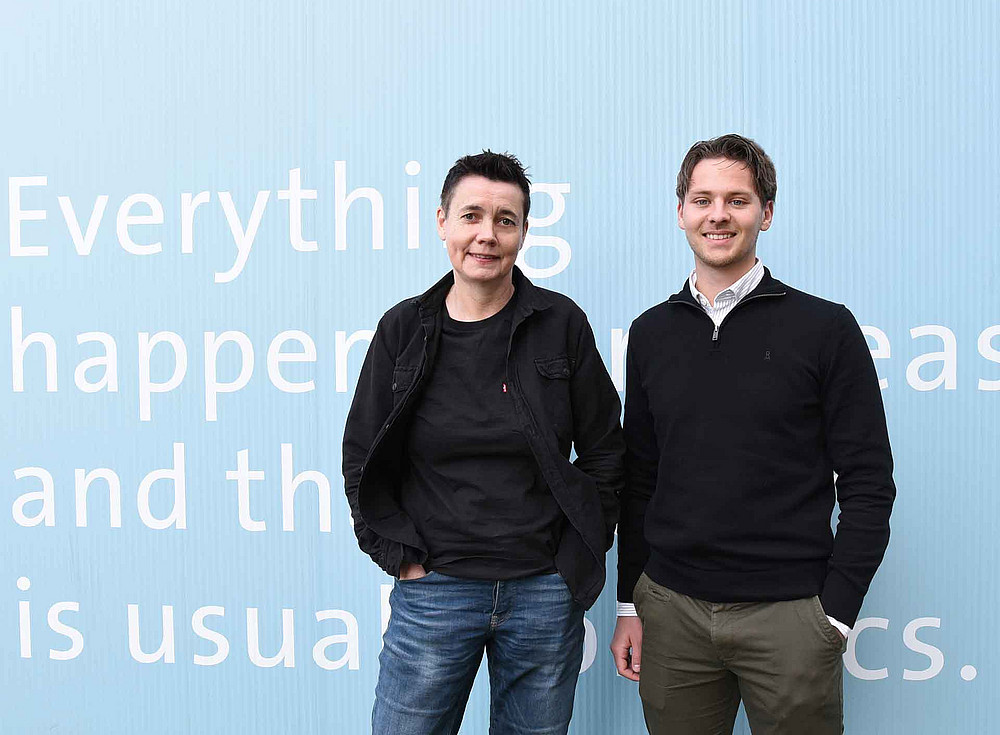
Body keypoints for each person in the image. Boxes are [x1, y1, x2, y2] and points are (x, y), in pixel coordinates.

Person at [610, 134, 896, 734]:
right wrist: (630, 603)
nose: (718, 215)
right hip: (672, 613)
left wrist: (835, 615)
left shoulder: (825, 328)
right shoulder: (651, 333)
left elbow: (869, 480)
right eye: (703, 199)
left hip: (791, 617)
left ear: (765, 213)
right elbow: (640, 479)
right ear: (681, 212)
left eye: (736, 200)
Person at [343, 151, 625, 735]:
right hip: (435, 591)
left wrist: (574, 557)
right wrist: (400, 557)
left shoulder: (560, 323)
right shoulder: (403, 329)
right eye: (471, 215)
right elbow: (361, 457)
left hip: (543, 593)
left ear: (523, 231)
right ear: (441, 221)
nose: (487, 235)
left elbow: (606, 450)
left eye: (505, 220)